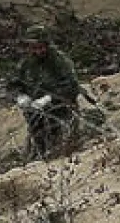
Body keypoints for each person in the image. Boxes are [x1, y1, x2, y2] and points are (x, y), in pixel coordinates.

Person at [8, 24, 82, 160]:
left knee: (62, 154)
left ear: (47, 44)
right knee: (39, 154)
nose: (38, 51)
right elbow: (13, 84)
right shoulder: (26, 63)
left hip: (61, 115)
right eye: (34, 48)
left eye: (40, 47)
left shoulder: (60, 61)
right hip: (36, 119)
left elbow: (72, 87)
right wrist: (20, 96)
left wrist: (49, 98)